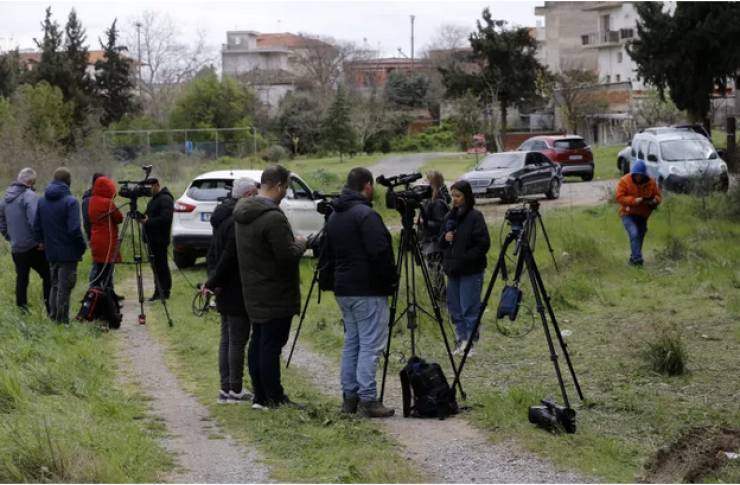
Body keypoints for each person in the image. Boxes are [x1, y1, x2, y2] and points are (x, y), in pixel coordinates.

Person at [233, 165, 307, 409]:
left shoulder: (243, 212)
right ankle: (274, 397)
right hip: (275, 291)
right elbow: (285, 257)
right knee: (270, 347)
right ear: (278, 186)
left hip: (253, 288)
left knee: (258, 342)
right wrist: (300, 244)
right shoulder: (273, 217)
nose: (286, 192)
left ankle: (260, 396)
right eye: (286, 186)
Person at [326, 167, 397, 418]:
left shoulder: (335, 213)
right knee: (370, 344)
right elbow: (380, 252)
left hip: (343, 287)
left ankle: (349, 397)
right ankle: (368, 398)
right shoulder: (365, 215)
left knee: (352, 343)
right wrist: (390, 280)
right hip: (367, 288)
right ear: (367, 185)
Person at [204, 177, 259, 404]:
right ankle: (235, 388)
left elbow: (213, 254)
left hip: (221, 286)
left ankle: (225, 388)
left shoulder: (221, 216)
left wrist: (213, 282)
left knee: (226, 338)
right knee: (237, 340)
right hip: (235, 286)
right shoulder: (237, 221)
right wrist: (214, 282)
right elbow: (229, 257)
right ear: (247, 195)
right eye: (255, 194)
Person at [441, 180, 491, 355]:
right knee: (454, 307)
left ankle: (471, 341)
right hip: (453, 270)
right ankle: (461, 340)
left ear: (467, 196)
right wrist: (445, 238)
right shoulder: (449, 217)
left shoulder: (475, 217)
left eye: (458, 196)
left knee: (469, 306)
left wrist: (464, 258)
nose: (454, 199)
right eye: (452, 195)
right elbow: (441, 242)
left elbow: (483, 244)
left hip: (471, 270)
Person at [34, 167, 87, 323]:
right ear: (68, 181)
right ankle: (62, 321)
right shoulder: (71, 202)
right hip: (68, 252)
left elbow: (36, 226)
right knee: (65, 286)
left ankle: (53, 317)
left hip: (51, 252)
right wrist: (82, 246)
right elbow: (74, 229)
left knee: (55, 285)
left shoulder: (42, 200)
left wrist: (42, 242)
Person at [0, 167, 51, 312]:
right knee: (48, 274)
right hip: (33, 246)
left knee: (22, 278)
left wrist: (10, 237)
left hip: (17, 247)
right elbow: (35, 220)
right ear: (31, 182)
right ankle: (49, 307)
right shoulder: (29, 196)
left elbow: (1, 223)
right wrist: (41, 240)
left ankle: (22, 309)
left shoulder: (5, 198)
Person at [616, 159, 661, 266]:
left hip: (643, 215)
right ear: (632, 173)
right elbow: (619, 197)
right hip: (628, 214)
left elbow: (658, 196)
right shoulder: (624, 181)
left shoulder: (651, 182)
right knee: (634, 233)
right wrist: (634, 201)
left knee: (640, 235)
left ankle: (633, 258)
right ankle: (637, 260)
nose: (638, 177)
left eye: (640, 175)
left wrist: (655, 201)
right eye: (636, 175)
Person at [88, 176, 123, 291]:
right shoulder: (108, 203)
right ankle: (107, 295)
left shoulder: (92, 200)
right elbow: (119, 218)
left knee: (98, 269)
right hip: (107, 241)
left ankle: (96, 292)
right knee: (107, 271)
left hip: (95, 239)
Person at [142, 178, 174, 301]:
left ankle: (164, 291)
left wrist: (148, 221)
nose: (148, 190)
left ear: (156, 185)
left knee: (161, 266)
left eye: (149, 187)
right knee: (156, 266)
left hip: (159, 239)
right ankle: (158, 290)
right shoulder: (154, 200)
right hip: (152, 239)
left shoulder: (165, 199)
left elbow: (166, 219)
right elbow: (150, 215)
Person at [82, 172, 104, 283]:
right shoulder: (88, 199)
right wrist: (91, 237)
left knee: (107, 264)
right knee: (97, 264)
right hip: (95, 235)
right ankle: (93, 290)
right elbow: (87, 221)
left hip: (104, 236)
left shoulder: (102, 195)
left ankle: (108, 291)